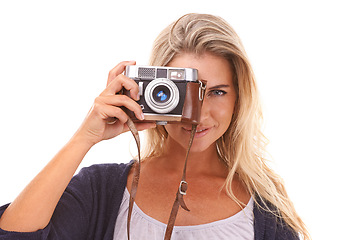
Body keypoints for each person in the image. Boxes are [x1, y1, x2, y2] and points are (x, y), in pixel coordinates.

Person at [0, 13, 310, 240]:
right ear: (154, 90)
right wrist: (85, 137)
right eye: (184, 93)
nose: (198, 114)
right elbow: (15, 235)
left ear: (238, 99)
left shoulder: (265, 209)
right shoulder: (104, 188)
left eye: (217, 92)